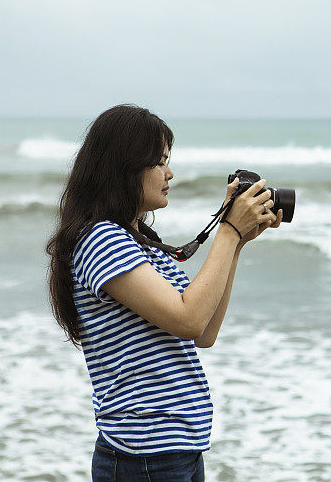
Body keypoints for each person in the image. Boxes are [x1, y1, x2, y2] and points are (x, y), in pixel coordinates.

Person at [45, 104, 281, 481]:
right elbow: (187, 320)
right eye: (159, 162)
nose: (169, 173)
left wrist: (238, 242)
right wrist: (228, 231)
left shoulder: (140, 243)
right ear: (124, 167)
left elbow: (204, 331)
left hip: (174, 449)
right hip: (144, 454)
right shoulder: (100, 239)